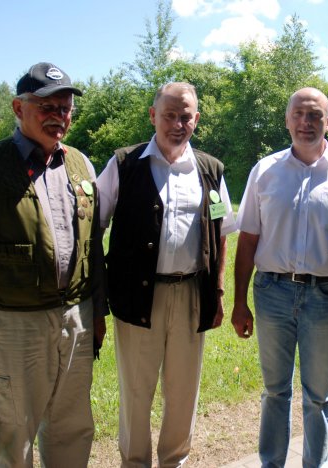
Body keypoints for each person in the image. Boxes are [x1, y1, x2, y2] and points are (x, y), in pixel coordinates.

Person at [0, 62, 107, 467]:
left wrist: (97, 313)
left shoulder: (81, 166)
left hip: (77, 319)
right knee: (14, 433)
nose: (59, 116)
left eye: (65, 108)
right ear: (19, 109)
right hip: (14, 325)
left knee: (72, 427)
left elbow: (94, 247)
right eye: (47, 106)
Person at [231, 87, 328, 467]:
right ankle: (272, 463)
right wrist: (238, 301)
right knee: (274, 390)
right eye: (298, 114)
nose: (306, 122)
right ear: (287, 120)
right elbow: (247, 239)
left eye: (315, 115)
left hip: (326, 296)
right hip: (272, 293)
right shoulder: (264, 172)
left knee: (319, 396)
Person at [97, 81, 237, 467]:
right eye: (170, 115)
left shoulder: (210, 170)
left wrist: (219, 291)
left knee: (183, 392)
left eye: (185, 116)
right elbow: (94, 227)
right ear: (153, 116)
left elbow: (220, 233)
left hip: (192, 295)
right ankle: (134, 463)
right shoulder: (124, 164)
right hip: (139, 298)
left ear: (196, 118)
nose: (177, 123)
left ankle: (174, 461)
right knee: (136, 392)